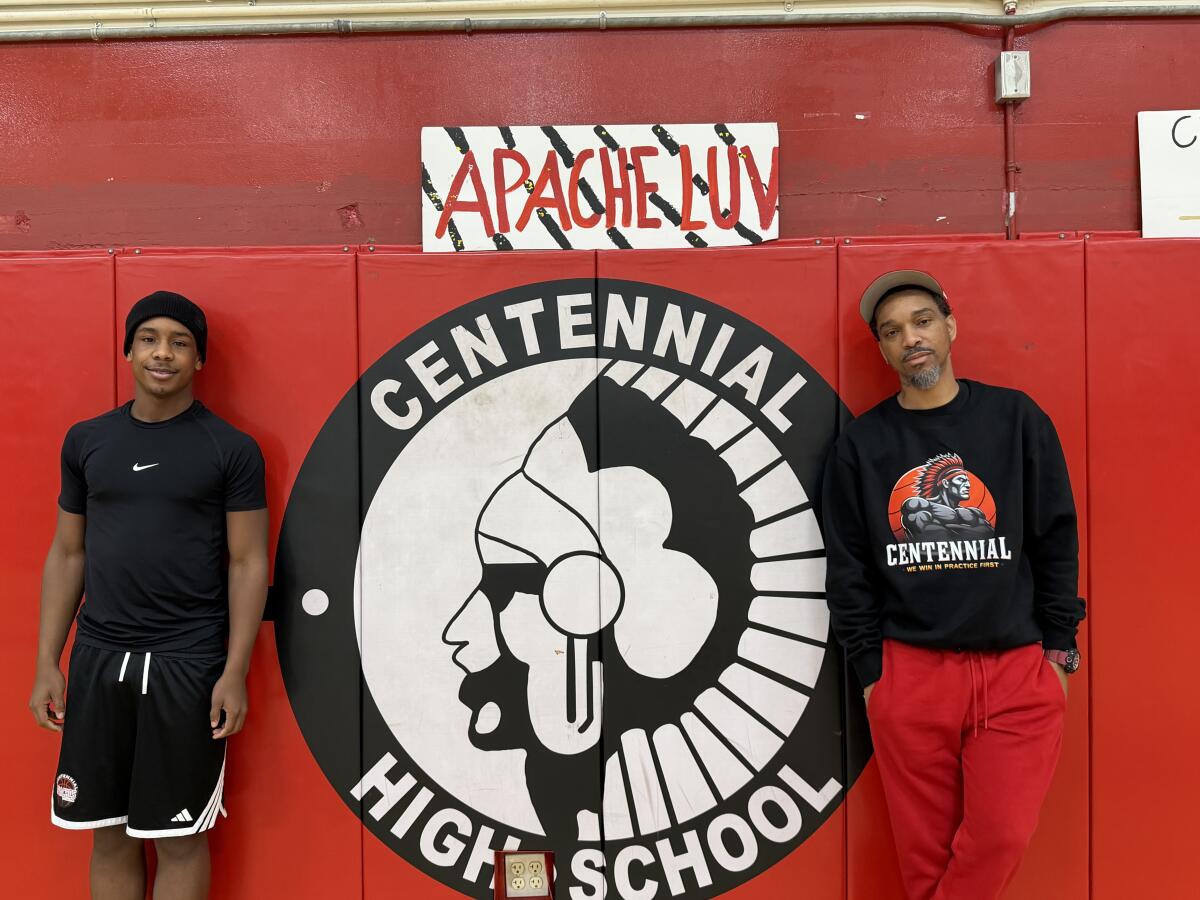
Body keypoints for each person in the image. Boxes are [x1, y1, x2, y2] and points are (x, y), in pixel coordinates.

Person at [820, 270, 1085, 900]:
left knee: (1000, 838)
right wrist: (871, 673)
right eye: (892, 331)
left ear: (949, 327)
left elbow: (1056, 536)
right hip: (910, 675)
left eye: (921, 321)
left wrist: (1060, 650)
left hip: (1015, 672)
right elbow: (848, 566)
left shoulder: (1015, 419)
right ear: (882, 351)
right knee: (925, 860)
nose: (910, 338)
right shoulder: (863, 446)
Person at [28, 291, 269, 900]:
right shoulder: (88, 441)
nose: (163, 353)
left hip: (185, 663)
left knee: (178, 837)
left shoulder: (230, 449)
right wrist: (46, 662)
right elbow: (67, 554)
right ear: (130, 350)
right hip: (99, 656)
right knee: (106, 832)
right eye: (150, 339)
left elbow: (247, 563)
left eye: (180, 342)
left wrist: (234, 670)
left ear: (199, 359)